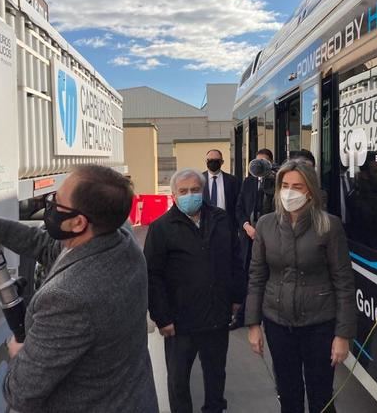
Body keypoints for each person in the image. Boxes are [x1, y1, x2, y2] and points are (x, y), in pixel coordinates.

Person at [0, 165, 159, 413]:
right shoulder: (121, 240)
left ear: (78, 222)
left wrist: (18, 354)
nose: (50, 206)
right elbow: (47, 246)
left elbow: (21, 392)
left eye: (57, 202)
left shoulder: (68, 298)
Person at [246, 161, 354, 413]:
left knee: (321, 395)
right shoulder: (265, 224)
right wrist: (253, 324)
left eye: (297, 186)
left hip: (319, 324)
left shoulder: (329, 226)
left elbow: (344, 282)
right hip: (278, 323)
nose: (289, 192)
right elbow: (256, 276)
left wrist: (343, 335)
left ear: (310, 191)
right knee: (288, 392)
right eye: (285, 185)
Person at [145, 169, 246, 413]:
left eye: (194, 190)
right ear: (173, 195)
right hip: (179, 322)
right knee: (178, 380)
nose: (190, 195)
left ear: (202, 191)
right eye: (183, 191)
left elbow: (236, 259)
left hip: (216, 317)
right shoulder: (161, 228)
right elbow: (152, 275)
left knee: (215, 375)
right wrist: (162, 317)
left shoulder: (221, 220)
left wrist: (236, 296)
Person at [232, 148, 274, 329]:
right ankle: (244, 317)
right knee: (248, 278)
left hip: (271, 239)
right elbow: (239, 207)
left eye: (264, 163)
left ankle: (268, 317)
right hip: (249, 238)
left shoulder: (276, 181)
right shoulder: (248, 182)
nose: (260, 166)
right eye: (257, 162)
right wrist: (246, 226)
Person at [203, 149, 240, 229]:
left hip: (227, 225)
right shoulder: (199, 180)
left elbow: (238, 204)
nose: (213, 162)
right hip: (205, 226)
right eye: (210, 160)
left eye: (217, 160)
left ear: (222, 162)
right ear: (206, 161)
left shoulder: (232, 180)